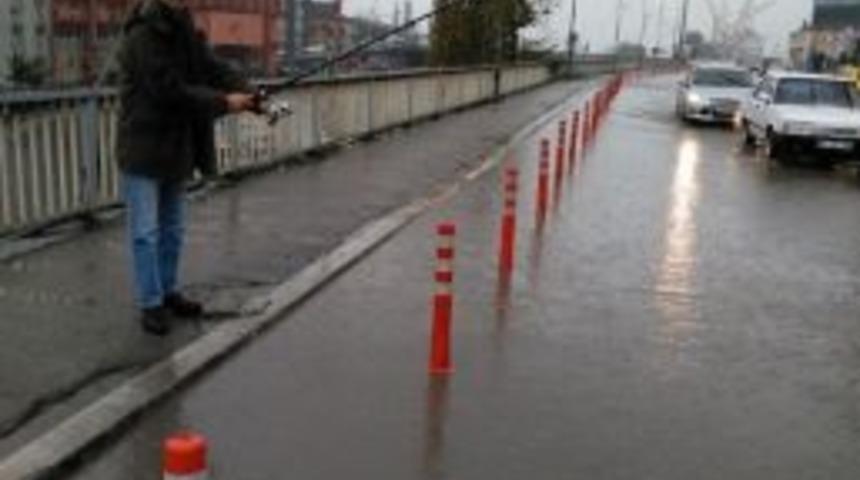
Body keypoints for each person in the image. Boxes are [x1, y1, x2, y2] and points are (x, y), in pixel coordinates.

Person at [117, 0, 256, 335]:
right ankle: (152, 304)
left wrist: (250, 94)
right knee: (146, 234)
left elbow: (213, 67)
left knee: (173, 230)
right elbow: (168, 92)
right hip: (142, 148)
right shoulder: (140, 36)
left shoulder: (185, 31)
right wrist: (224, 102)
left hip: (174, 149)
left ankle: (168, 292)